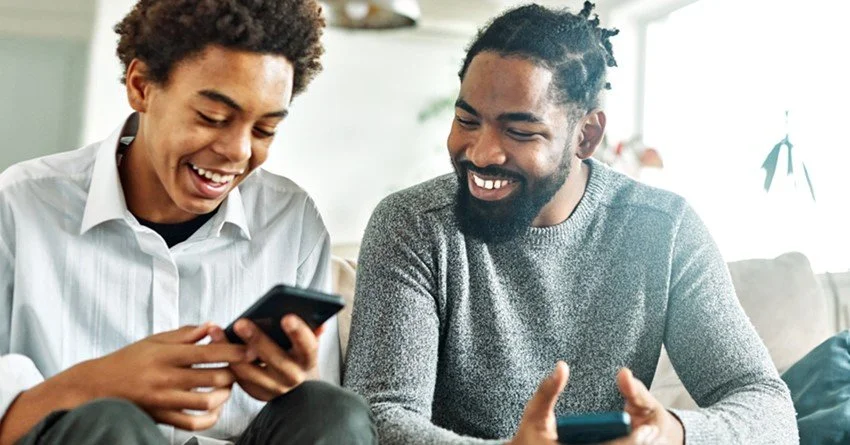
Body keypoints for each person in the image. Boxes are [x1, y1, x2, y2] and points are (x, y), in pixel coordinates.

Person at [343, 2, 798, 444]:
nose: (481, 153)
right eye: (467, 119)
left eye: (520, 131)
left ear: (587, 135)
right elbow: (378, 418)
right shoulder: (412, 226)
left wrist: (673, 434)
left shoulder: (664, 230)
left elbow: (768, 409)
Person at [0, 1, 375, 444]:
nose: (237, 151)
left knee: (331, 410)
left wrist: (293, 380)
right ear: (141, 87)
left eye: (264, 130)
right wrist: (101, 380)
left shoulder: (291, 222)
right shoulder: (21, 205)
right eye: (212, 118)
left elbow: (317, 411)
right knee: (110, 425)